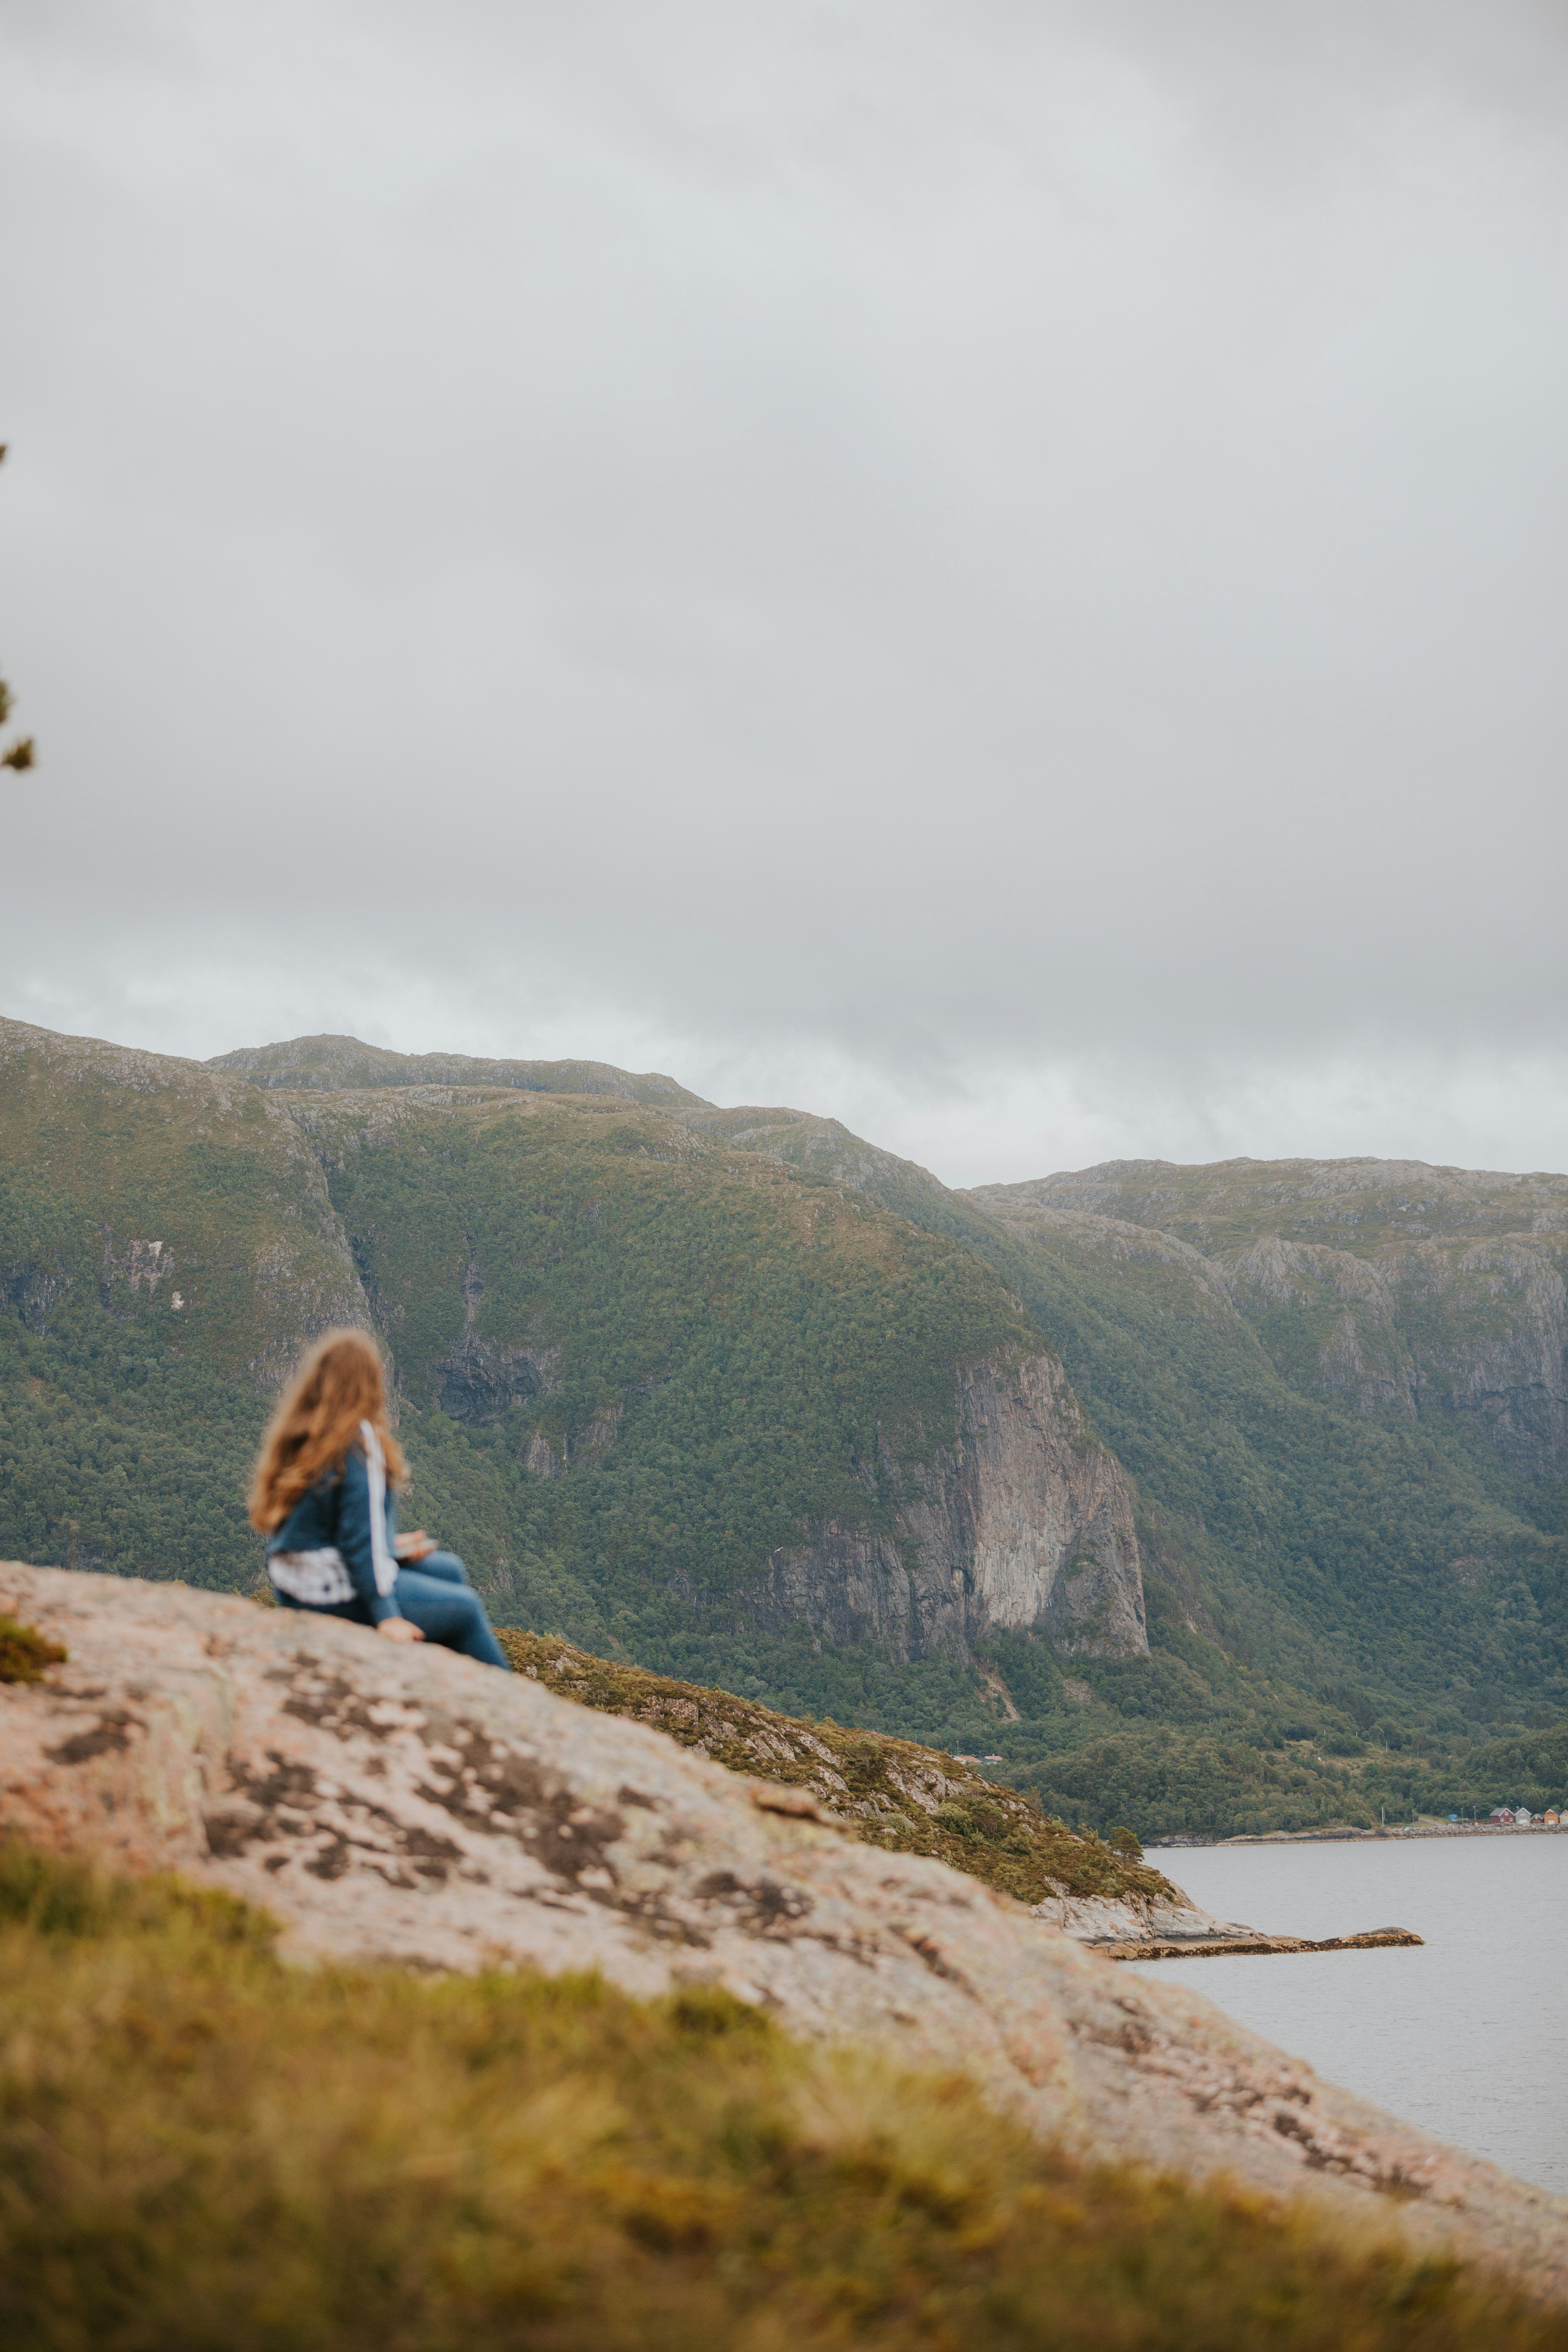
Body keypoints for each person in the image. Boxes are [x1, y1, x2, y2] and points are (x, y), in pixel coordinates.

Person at [248, 1327, 510, 1668]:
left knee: (450, 1569)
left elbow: (330, 1527)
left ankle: (435, 1677)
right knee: (466, 1607)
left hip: (296, 1583)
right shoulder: (358, 1445)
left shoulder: (306, 1433)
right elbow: (359, 1540)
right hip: (327, 1591)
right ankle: (512, 1705)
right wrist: (387, 1615)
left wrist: (389, 1547)